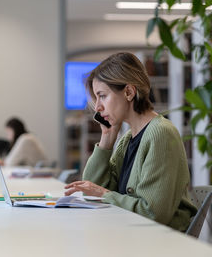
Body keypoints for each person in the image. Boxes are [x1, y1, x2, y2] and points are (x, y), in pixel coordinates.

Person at [64, 52, 197, 232]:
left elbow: (152, 214)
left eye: (102, 96)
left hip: (159, 242)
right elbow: (91, 191)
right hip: (133, 233)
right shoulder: (128, 137)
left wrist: (103, 194)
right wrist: (106, 140)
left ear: (128, 92)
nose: (97, 108)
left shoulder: (160, 133)